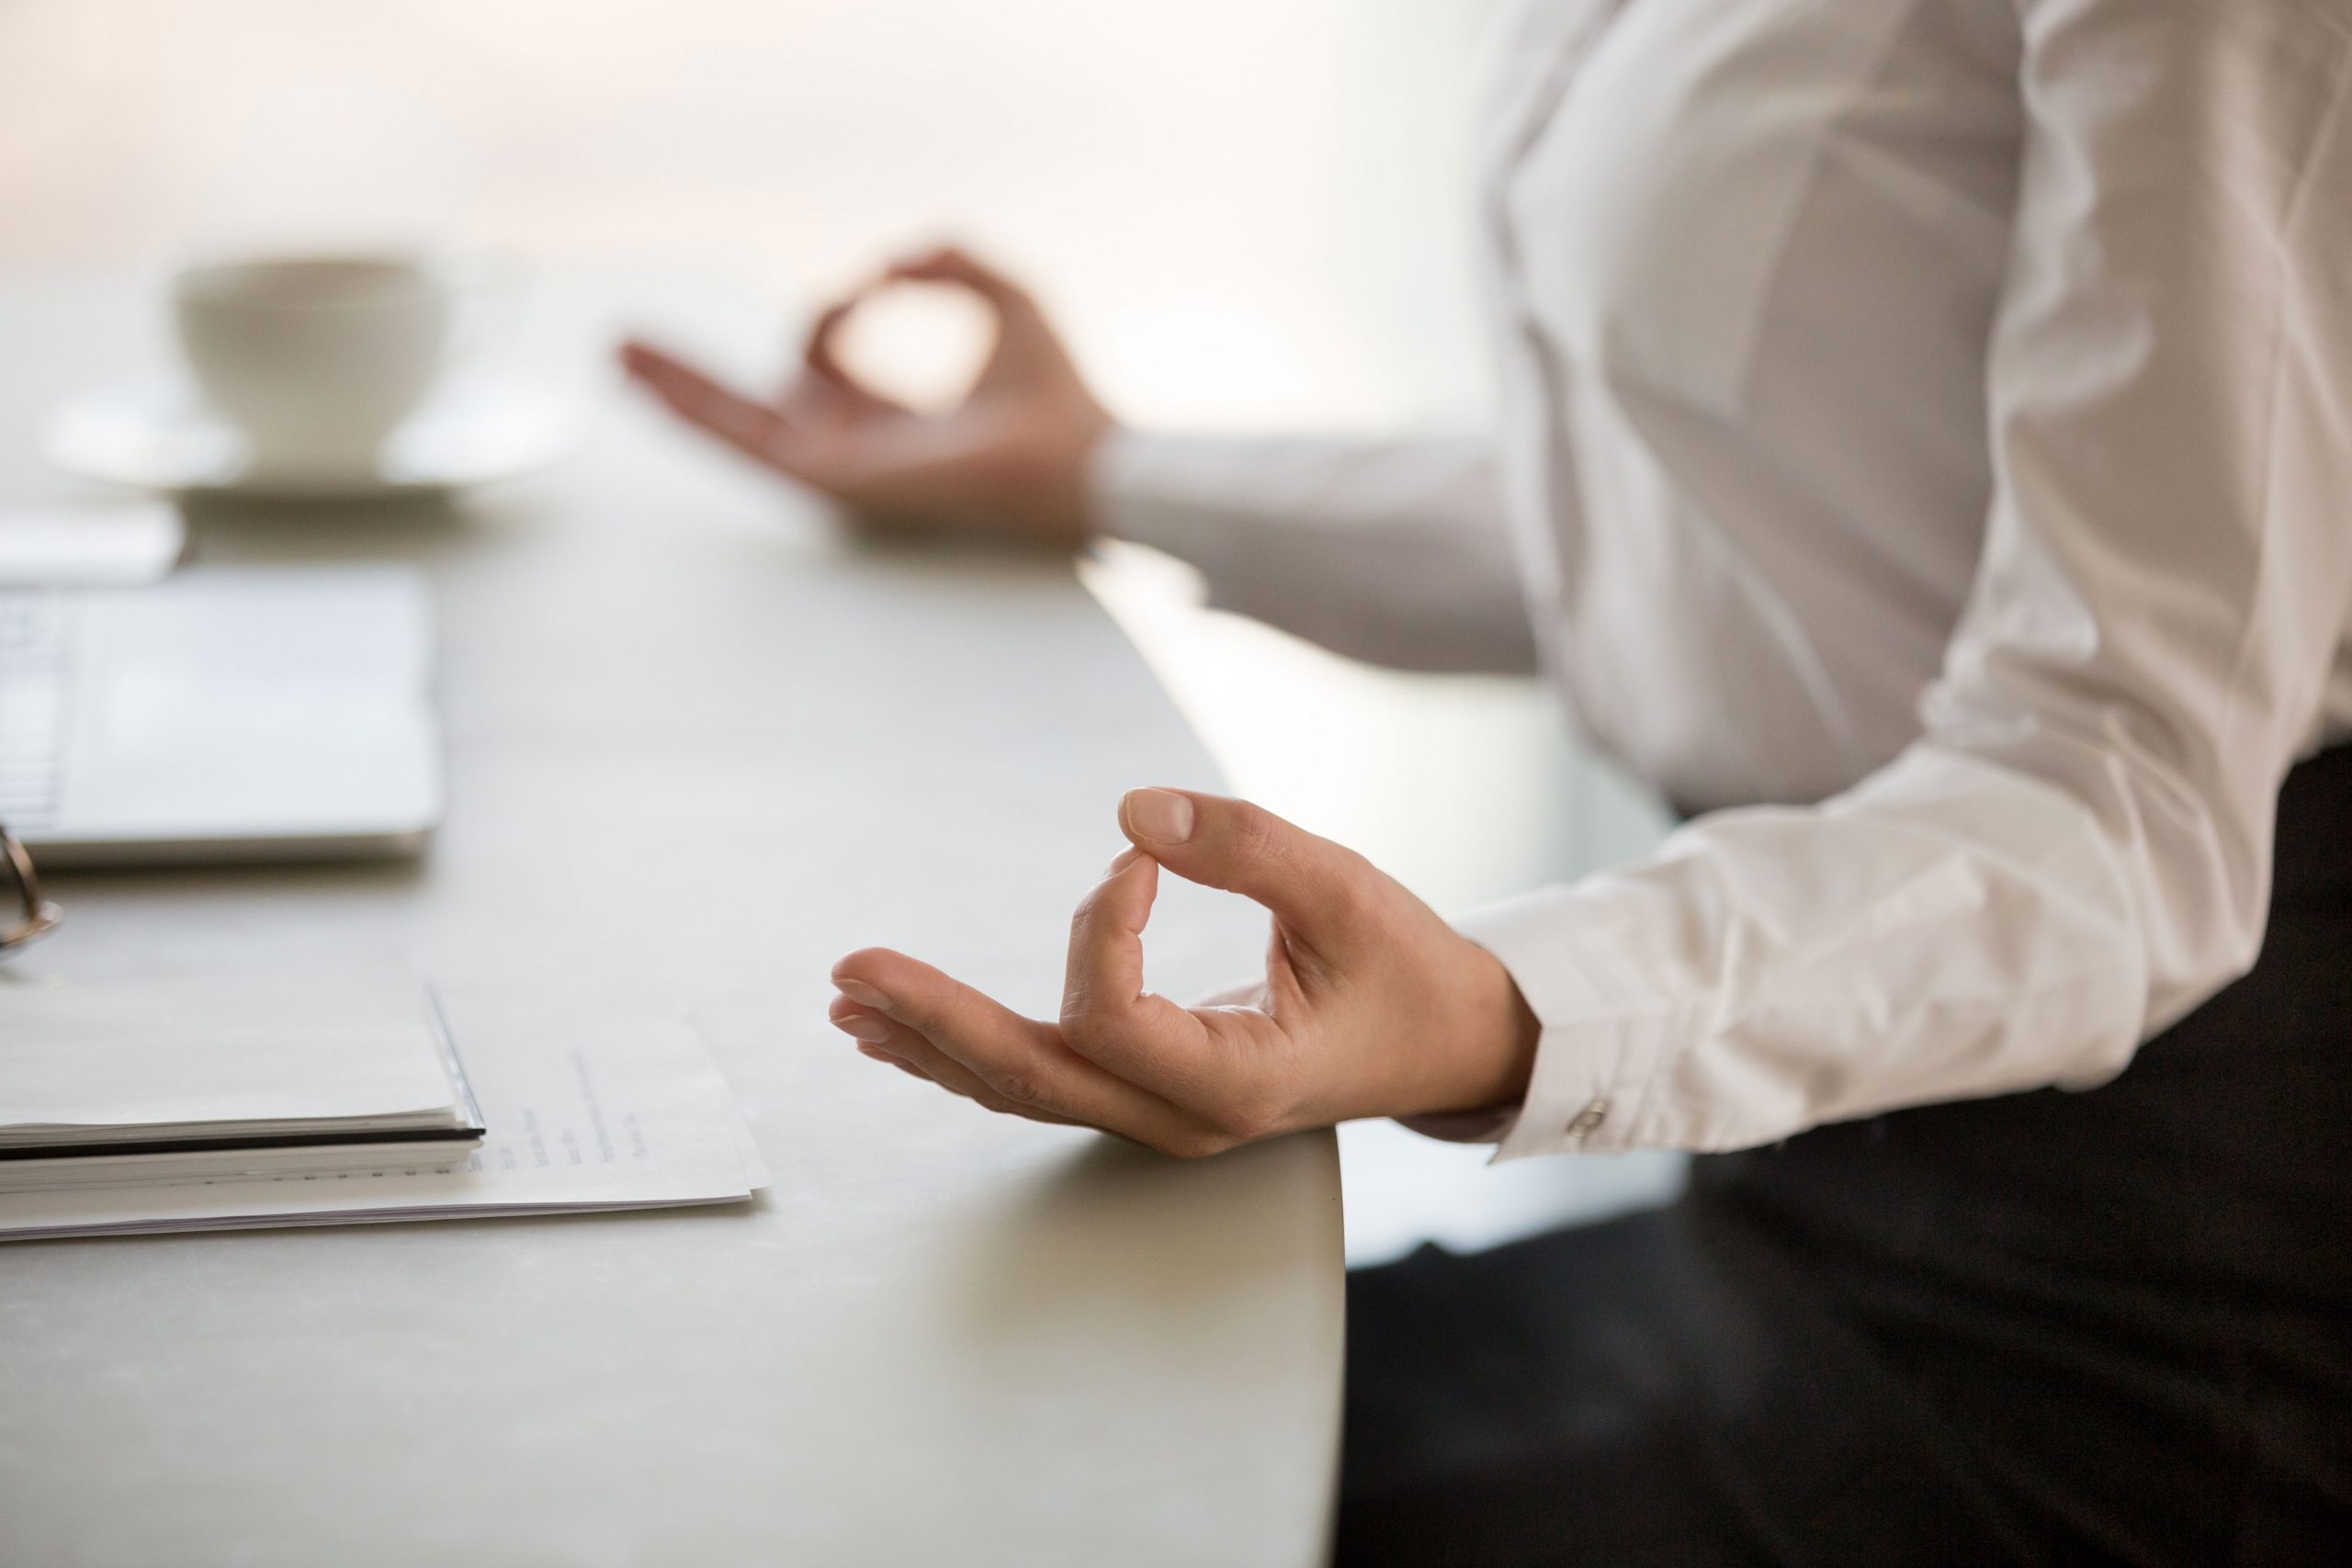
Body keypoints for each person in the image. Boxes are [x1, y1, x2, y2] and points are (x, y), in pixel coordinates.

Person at [622, 0, 2352, 1558]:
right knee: (978, 1429)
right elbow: (1725, 531)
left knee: (1030, 1509)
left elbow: (2130, 810)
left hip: (2128, 1299)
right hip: (1791, 1195)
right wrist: (1099, 474)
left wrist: (1495, 1011)